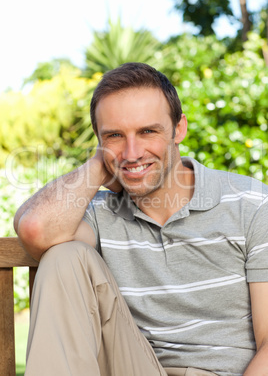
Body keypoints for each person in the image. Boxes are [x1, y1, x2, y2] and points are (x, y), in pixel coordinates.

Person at [14, 62, 268, 376]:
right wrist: (100, 163)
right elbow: (36, 229)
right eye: (115, 135)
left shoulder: (252, 203)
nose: (132, 153)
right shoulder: (99, 211)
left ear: (179, 129)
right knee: (64, 255)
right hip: (134, 367)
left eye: (147, 131)